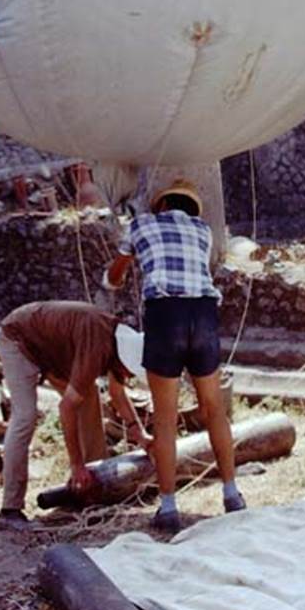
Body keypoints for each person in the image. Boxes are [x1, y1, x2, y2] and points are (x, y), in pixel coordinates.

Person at [105, 178, 246, 533]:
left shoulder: (141, 224)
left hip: (165, 315)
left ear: (163, 205)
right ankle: (232, 493)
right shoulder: (203, 231)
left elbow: (114, 277)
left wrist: (113, 276)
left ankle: (168, 507)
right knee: (213, 407)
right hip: (202, 314)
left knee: (165, 417)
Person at [0, 300, 152, 532]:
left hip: (52, 350)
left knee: (89, 400)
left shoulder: (119, 342)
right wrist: (75, 464)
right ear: (124, 362)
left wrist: (141, 436)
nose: (129, 375)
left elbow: (117, 394)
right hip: (19, 338)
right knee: (25, 417)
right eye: (131, 372)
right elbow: (66, 408)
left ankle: (93, 487)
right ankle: (10, 510)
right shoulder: (97, 348)